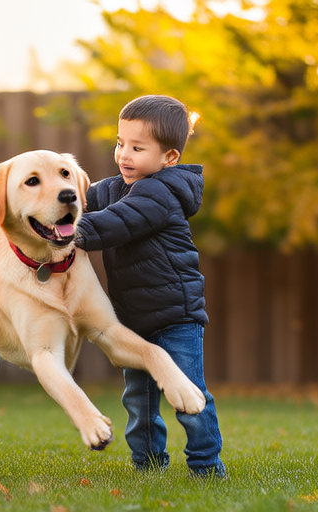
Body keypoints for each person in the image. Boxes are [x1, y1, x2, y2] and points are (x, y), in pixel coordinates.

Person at [75, 95, 225, 478]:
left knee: (189, 396)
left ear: (169, 157)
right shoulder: (109, 189)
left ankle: (207, 466)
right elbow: (77, 206)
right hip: (134, 319)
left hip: (176, 315)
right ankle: (147, 465)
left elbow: (112, 224)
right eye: (120, 143)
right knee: (139, 401)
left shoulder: (161, 192)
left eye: (137, 148)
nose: (124, 154)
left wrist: (62, 233)